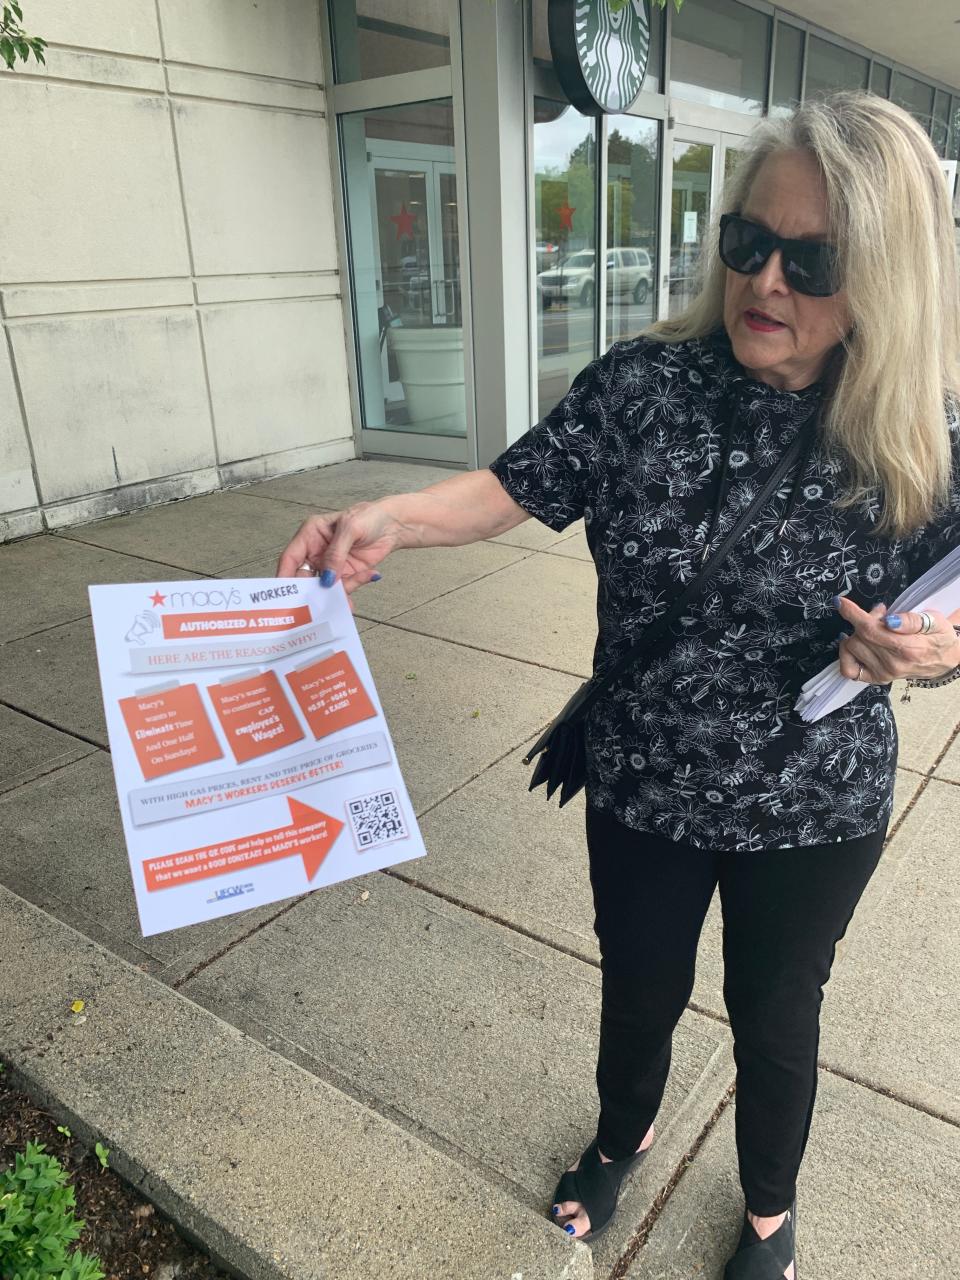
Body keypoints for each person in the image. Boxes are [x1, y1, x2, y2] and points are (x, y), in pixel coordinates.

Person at [278, 92, 960, 1278]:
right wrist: (387, 513)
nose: (767, 281)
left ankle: (766, 1208)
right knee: (640, 980)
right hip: (645, 769)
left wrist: (930, 647)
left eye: (814, 261)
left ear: (887, 277)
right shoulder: (643, 385)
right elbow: (511, 484)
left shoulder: (921, 431)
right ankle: (623, 1130)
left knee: (776, 1012)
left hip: (813, 797)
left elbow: (953, 602)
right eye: (749, 240)